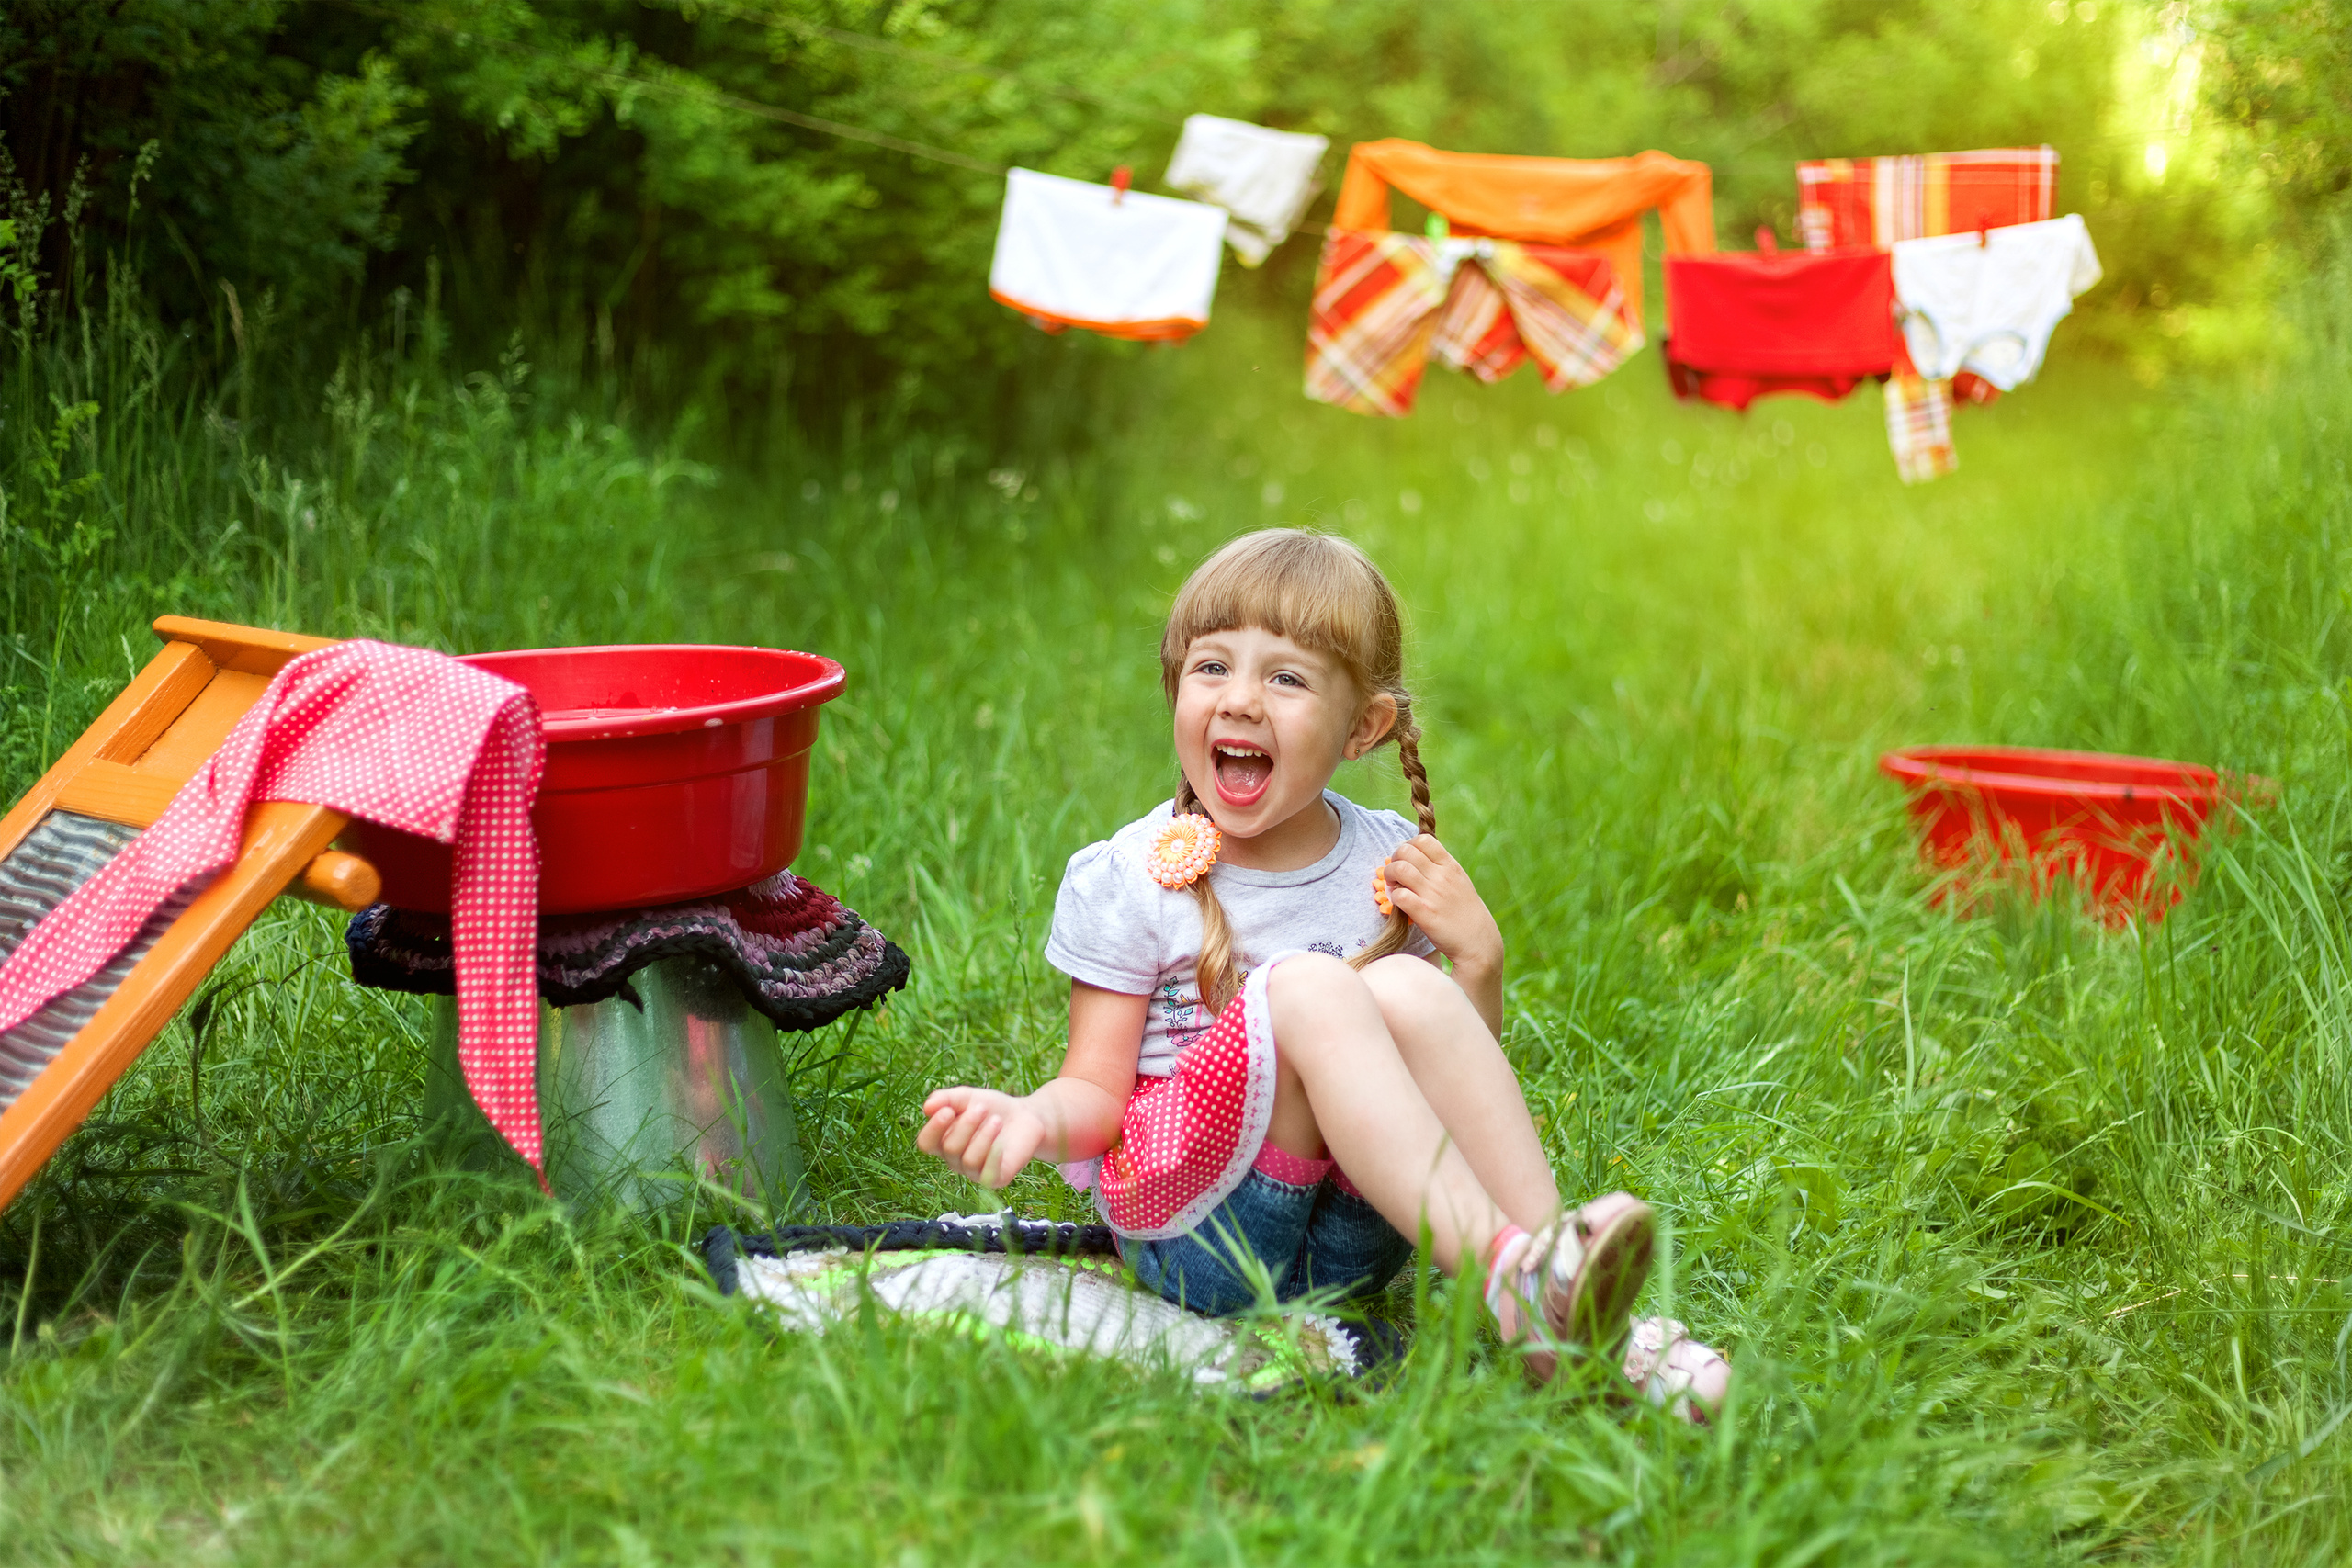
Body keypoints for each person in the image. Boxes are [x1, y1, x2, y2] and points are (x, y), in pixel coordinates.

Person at [919, 529, 1727, 1414]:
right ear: (1177, 688)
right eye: (1212, 667)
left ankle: (1553, 1294)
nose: (1240, 699)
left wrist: (1479, 961)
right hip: (1198, 1237)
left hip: (1355, 1243)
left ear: (1363, 727)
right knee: (1308, 986)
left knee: (1408, 988)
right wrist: (1034, 1117)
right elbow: (1096, 1092)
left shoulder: (1387, 862)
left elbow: (1448, 1087)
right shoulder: (1133, 875)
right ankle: (1514, 1278)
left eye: (1287, 678)